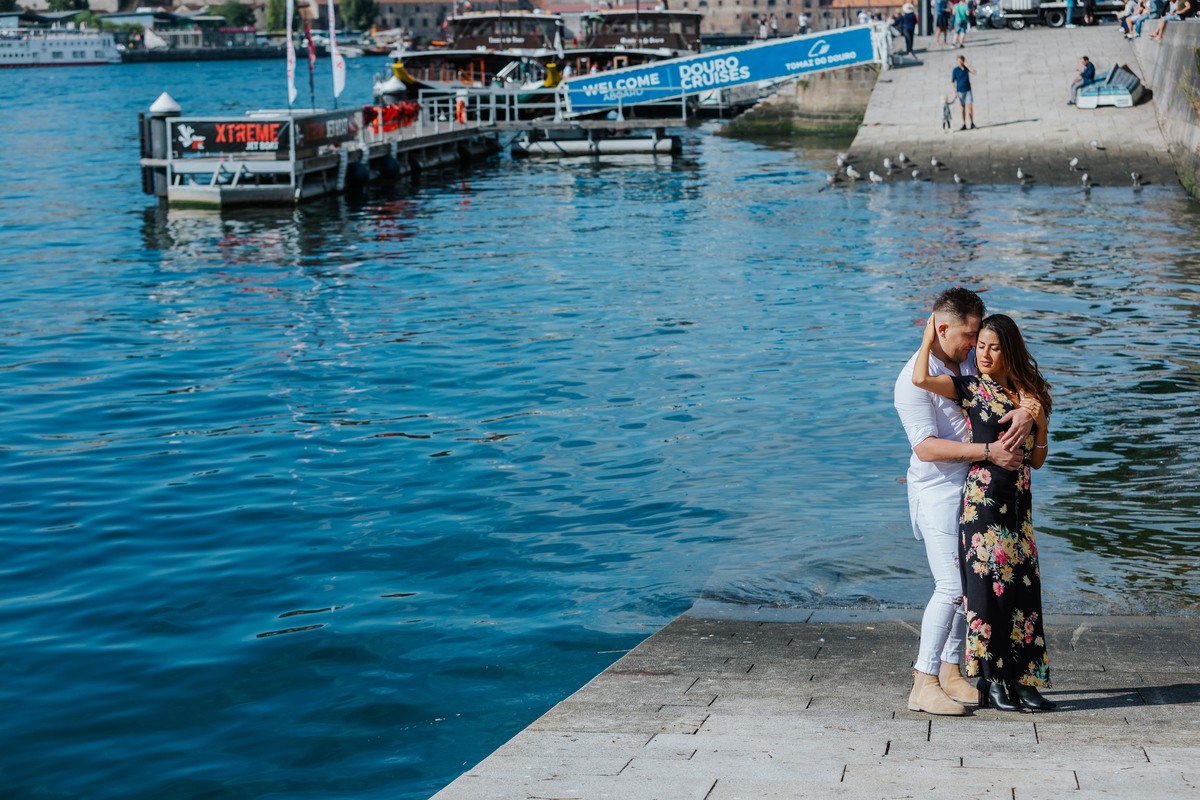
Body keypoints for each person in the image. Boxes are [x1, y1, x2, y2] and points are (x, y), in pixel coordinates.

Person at [895, 289, 1035, 716]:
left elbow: (1018, 383)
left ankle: (952, 670)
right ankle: (923, 681)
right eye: (969, 335)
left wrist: (1029, 409)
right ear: (941, 328)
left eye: (978, 335)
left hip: (979, 495)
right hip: (937, 493)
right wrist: (989, 453)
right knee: (953, 588)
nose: (975, 344)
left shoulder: (972, 362)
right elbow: (925, 447)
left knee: (972, 589)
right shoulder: (912, 378)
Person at [952, 55, 976, 130]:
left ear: (963, 61)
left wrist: (967, 65)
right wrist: (954, 92)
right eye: (958, 61)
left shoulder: (966, 69)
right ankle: (964, 123)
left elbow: (974, 72)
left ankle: (972, 123)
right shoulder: (955, 70)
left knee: (970, 107)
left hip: (968, 90)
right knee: (962, 108)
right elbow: (953, 82)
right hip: (960, 91)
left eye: (960, 61)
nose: (959, 62)